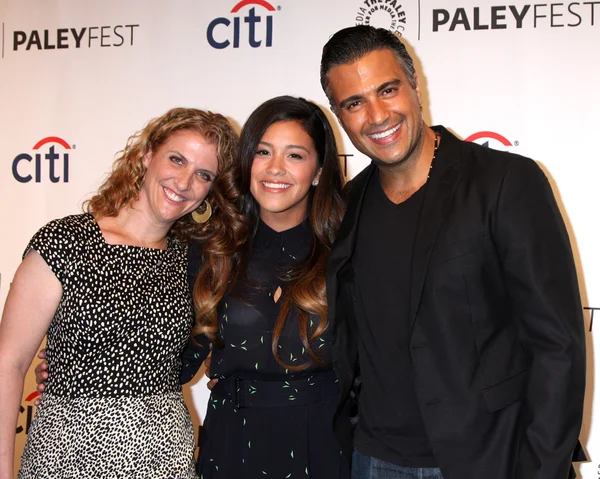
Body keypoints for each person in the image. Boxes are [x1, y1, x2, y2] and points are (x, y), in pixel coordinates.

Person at [320, 25, 586, 479]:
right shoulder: (350, 201)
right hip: (372, 460)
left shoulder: (505, 182)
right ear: (339, 115)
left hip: (486, 459)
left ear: (414, 84)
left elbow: (557, 347)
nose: (378, 115)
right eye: (355, 103)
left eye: (388, 90)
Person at [0, 107, 239, 479]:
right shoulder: (66, 242)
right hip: (68, 455)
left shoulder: (193, 260)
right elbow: (9, 363)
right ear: (146, 155)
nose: (184, 181)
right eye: (176, 159)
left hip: (164, 456)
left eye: (203, 174)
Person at [181, 95, 348, 478]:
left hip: (323, 445)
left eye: (295, 155)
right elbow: (177, 361)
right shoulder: (213, 249)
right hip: (232, 443)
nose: (275, 169)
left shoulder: (348, 251)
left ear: (319, 170)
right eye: (263, 151)